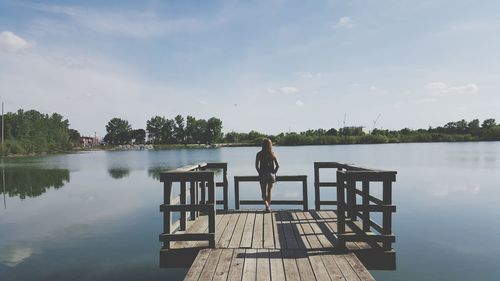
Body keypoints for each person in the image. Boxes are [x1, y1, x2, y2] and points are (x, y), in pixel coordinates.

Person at [255, 138, 279, 212]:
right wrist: (274, 173)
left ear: (262, 145)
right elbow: (277, 166)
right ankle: (268, 207)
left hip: (263, 175)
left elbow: (256, 166)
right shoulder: (272, 153)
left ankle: (267, 206)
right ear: (270, 145)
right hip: (271, 175)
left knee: (263, 192)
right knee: (269, 191)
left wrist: (260, 173)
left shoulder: (259, 154)